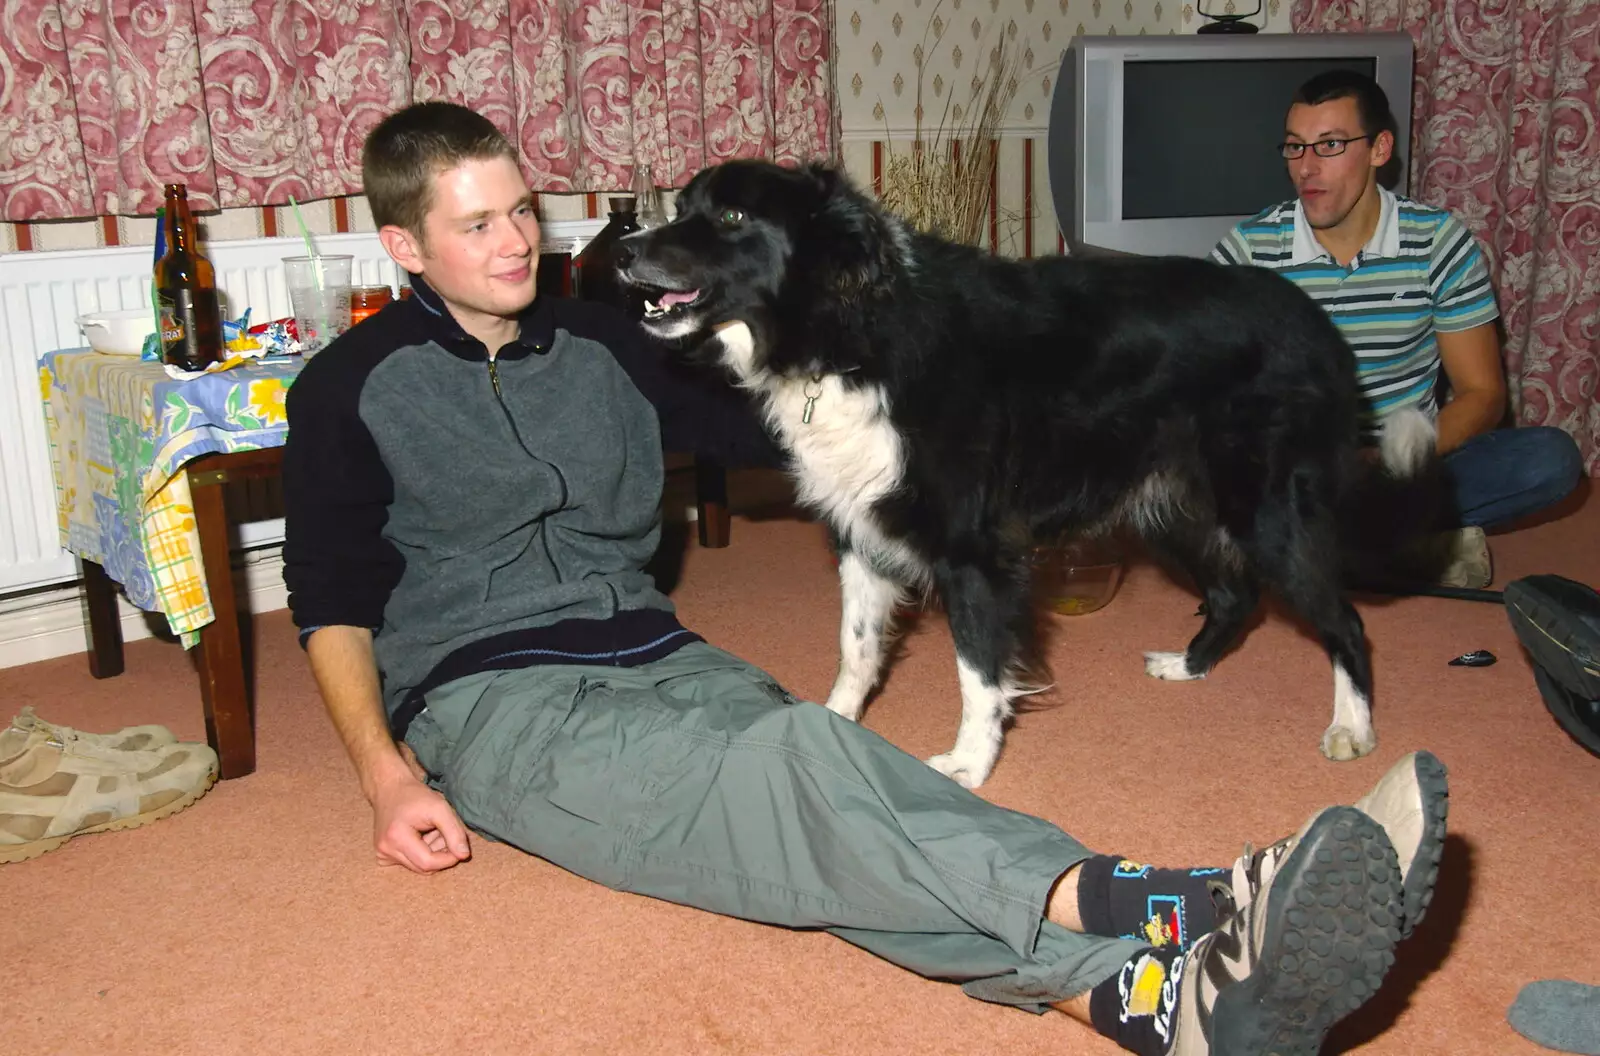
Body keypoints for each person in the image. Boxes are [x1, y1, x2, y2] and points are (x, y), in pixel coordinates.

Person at [283, 101, 1451, 1056]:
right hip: (499, 699)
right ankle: (1174, 918)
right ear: (403, 247)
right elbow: (330, 602)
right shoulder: (351, 385)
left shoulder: (609, 347)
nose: (516, 243)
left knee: (829, 764)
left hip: (654, 652)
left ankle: (1160, 986)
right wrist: (386, 778)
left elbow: (815, 398)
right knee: (785, 775)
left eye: (522, 212)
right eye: (478, 224)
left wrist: (928, 333)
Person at [1211, 69, 1584, 587]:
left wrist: (1387, 459)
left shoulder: (1438, 243)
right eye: (1295, 148)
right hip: (1294, 466)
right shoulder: (1248, 251)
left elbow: (1482, 394)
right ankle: (1403, 547)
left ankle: (1338, 548)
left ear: (1379, 149)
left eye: (1331, 145)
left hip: (1405, 458)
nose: (1307, 168)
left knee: (1550, 459)